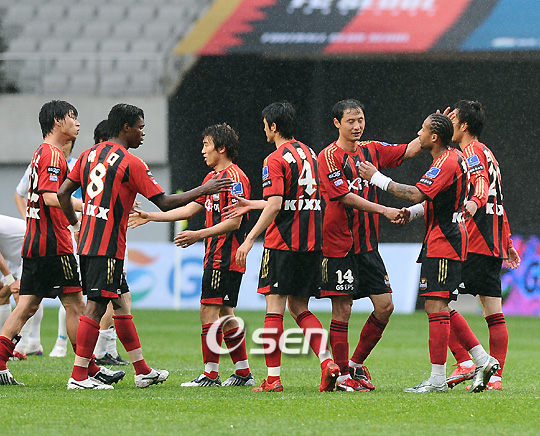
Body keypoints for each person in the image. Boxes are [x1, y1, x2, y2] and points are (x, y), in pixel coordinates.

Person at [58, 103, 232, 390]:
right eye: (140, 127)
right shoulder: (130, 163)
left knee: (120, 303)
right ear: (125, 128)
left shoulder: (88, 155)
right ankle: (78, 377)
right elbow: (164, 202)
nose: (143, 133)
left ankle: (142, 371)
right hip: (107, 246)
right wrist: (204, 189)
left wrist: (76, 224)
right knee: (96, 308)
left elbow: (63, 192)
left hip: (89, 241)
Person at [359, 113, 499, 393]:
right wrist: (411, 214)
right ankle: (482, 359)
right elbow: (437, 200)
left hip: (445, 242)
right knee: (441, 305)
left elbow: (417, 194)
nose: (418, 134)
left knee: (436, 306)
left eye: (422, 130)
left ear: (434, 137)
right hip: (445, 239)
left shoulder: (447, 161)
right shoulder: (451, 158)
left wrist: (377, 178)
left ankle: (437, 379)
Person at [0, 100, 124, 387]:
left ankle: (2, 362)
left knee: (27, 306)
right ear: (57, 121)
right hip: (53, 242)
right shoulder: (53, 155)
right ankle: (86, 371)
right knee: (76, 306)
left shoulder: (41, 152)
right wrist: (89, 208)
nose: (77, 123)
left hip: (36, 240)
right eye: (72, 117)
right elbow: (50, 197)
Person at [129, 123, 254, 387]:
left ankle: (210, 374)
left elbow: (235, 222)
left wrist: (198, 235)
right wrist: (150, 216)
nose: (203, 150)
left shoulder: (235, 178)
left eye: (207, 145)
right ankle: (243, 373)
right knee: (225, 313)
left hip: (224, 255)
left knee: (208, 310)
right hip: (217, 254)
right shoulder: (211, 179)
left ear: (221, 148)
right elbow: (188, 210)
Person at [230, 102, 340, 393]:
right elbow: (293, 198)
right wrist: (253, 204)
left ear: (274, 126)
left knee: (275, 307)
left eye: (265, 125)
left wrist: (250, 238)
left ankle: (273, 378)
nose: (264, 129)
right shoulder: (310, 153)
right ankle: (327, 362)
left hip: (283, 242)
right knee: (300, 307)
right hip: (312, 242)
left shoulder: (274, 159)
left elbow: (277, 204)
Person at [317, 99, 420, 391]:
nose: (357, 126)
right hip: (339, 245)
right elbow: (344, 196)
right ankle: (342, 376)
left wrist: (436, 128)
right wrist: (384, 210)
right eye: (350, 121)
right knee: (343, 309)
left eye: (360, 120)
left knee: (385, 306)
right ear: (337, 123)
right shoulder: (328, 157)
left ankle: (355, 364)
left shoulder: (371, 149)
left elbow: (409, 149)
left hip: (368, 246)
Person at [442, 100, 520, 391]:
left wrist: (472, 205)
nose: (449, 125)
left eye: (452, 121)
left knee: (436, 301)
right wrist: (507, 241)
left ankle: (465, 361)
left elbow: (482, 187)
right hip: (492, 239)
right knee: (493, 312)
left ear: (464, 126)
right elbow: (499, 200)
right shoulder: (487, 152)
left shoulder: (471, 152)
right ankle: (495, 378)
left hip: (473, 239)